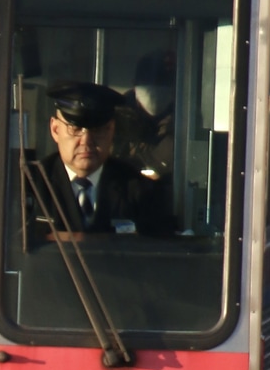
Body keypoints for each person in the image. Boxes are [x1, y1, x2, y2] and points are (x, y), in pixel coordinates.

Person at [39, 81, 156, 234]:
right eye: (75, 129)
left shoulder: (138, 191)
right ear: (55, 129)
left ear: (111, 130)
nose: (86, 141)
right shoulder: (32, 185)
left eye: (97, 130)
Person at [115, 48, 176, 183]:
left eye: (163, 86)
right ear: (134, 85)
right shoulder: (118, 116)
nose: (154, 93)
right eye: (147, 86)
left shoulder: (184, 120)